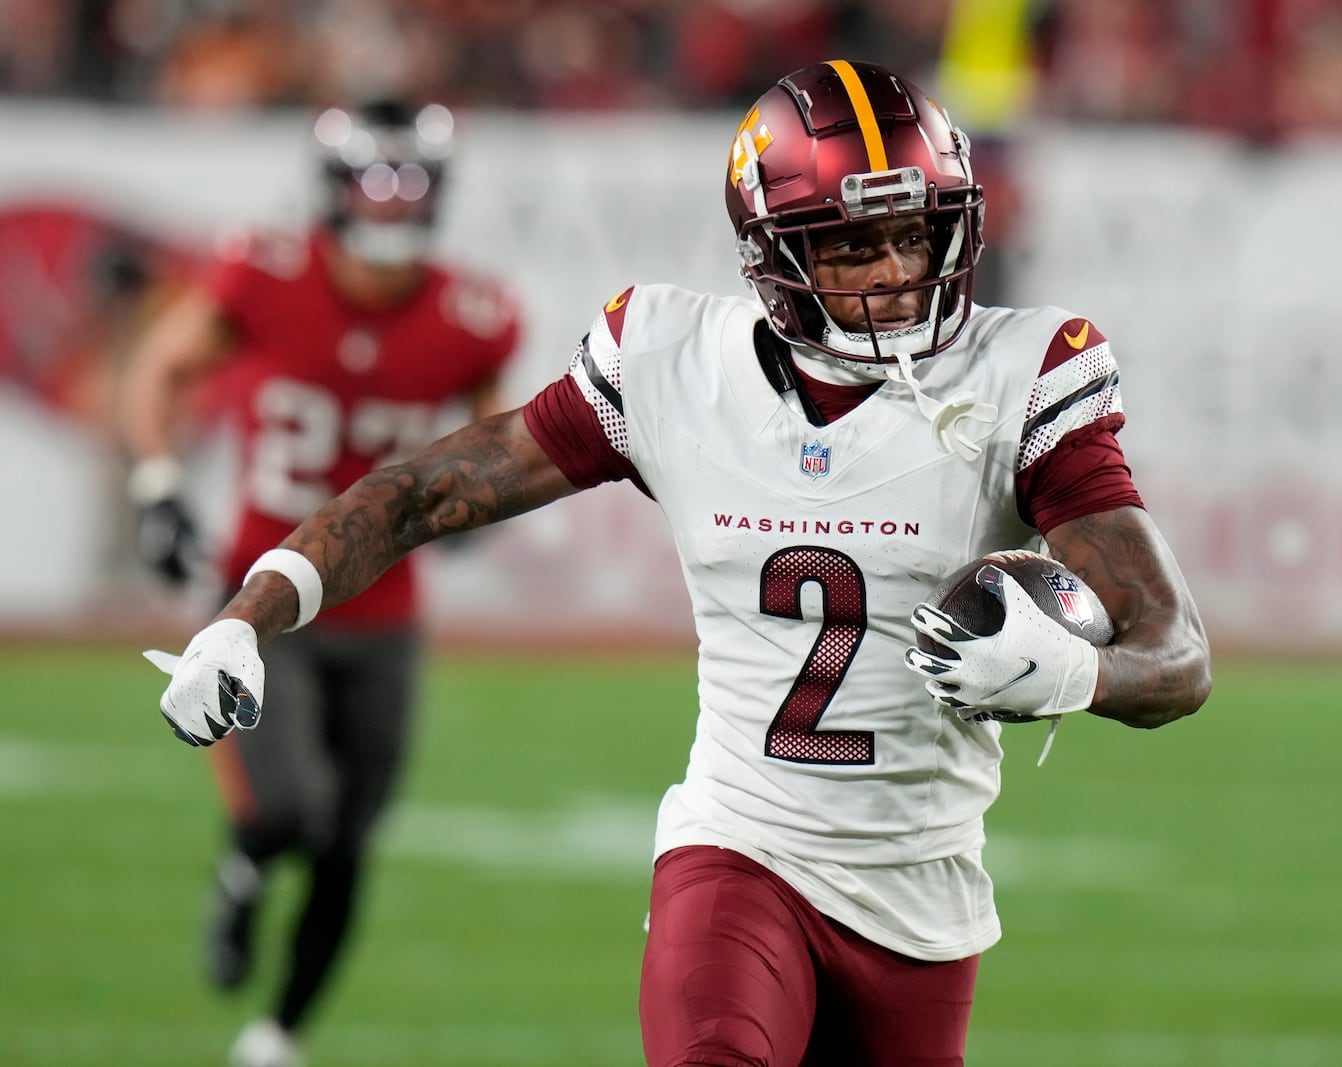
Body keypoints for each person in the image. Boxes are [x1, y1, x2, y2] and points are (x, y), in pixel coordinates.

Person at [144, 61, 1209, 1066]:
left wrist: (1080, 674)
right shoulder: (668, 361)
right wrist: (249, 612)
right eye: (850, 244)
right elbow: (424, 489)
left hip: (922, 885)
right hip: (738, 845)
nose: (894, 272)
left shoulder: (1025, 373)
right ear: (776, 250)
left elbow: (1176, 653)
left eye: (916, 233)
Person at [123, 98, 521, 1067]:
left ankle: (277, 1035)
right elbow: (161, 366)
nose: (393, 205)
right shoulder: (265, 273)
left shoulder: (474, 315)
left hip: (384, 611)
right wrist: (160, 484)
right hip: (267, 597)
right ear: (335, 189)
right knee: (287, 809)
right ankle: (245, 867)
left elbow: (495, 434)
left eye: (414, 184)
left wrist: (475, 498)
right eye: (375, 182)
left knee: (349, 837)